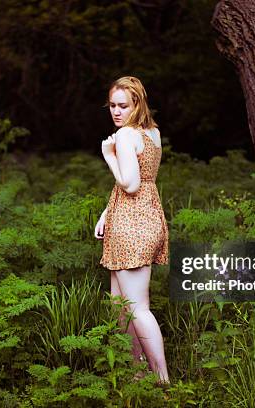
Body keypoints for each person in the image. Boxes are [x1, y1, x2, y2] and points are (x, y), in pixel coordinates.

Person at [94, 76, 170, 384]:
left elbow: (131, 182)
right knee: (120, 305)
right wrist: (105, 214)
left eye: (123, 105)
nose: (116, 111)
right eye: (112, 105)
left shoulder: (124, 136)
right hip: (146, 217)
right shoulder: (152, 133)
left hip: (132, 225)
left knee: (136, 308)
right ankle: (137, 376)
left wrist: (109, 157)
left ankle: (163, 380)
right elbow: (141, 180)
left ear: (137, 104)